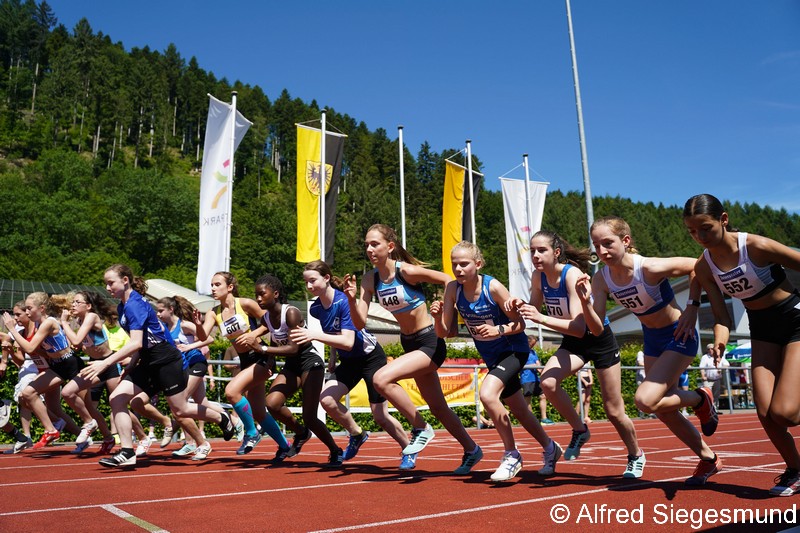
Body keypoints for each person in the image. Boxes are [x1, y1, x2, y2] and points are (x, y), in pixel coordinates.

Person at [579, 215, 728, 485]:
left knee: (645, 400)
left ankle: (698, 399)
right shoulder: (601, 279)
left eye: (608, 243)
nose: (602, 251)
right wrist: (584, 302)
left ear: (625, 240)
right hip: (652, 340)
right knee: (663, 409)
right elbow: (597, 328)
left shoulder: (648, 267)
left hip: (679, 334)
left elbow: (699, 265)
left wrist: (692, 307)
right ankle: (709, 459)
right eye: (596, 245)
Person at [683, 193, 800, 496]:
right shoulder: (705, 267)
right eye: (692, 231)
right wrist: (720, 343)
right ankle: (796, 469)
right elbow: (722, 317)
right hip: (761, 329)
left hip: (795, 321)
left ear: (723, 220)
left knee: (786, 413)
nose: (700, 237)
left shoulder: (756, 246)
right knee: (766, 412)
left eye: (706, 228)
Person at [346, 224, 482, 474]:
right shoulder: (369, 279)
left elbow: (448, 279)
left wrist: (446, 313)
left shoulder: (406, 271)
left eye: (375, 244)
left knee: (381, 379)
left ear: (390, 247)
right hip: (409, 343)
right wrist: (351, 299)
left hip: (430, 341)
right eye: (366, 245)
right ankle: (472, 449)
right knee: (438, 408)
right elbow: (359, 323)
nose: (369, 249)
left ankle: (420, 427)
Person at [511, 230, 645, 479]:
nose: (536, 255)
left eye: (542, 250)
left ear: (556, 252)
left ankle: (635, 454)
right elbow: (533, 309)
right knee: (548, 382)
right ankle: (580, 430)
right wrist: (517, 307)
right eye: (532, 251)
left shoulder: (570, 275)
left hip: (598, 339)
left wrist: (540, 318)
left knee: (613, 410)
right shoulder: (538, 277)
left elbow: (579, 326)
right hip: (574, 342)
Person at [81, 264, 235, 468]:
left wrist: (106, 362)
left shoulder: (135, 305)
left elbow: (136, 342)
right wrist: (131, 367)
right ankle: (127, 452)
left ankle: (221, 418)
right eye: (106, 284)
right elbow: (141, 343)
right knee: (117, 399)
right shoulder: (122, 307)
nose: (107, 288)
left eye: (111, 283)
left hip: (166, 360)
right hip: (147, 361)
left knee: (180, 410)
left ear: (125, 280)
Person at [432, 241, 560, 481]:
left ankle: (512, 454)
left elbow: (520, 323)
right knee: (520, 410)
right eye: (454, 264)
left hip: (513, 350)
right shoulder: (452, 289)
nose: (458, 269)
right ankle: (550, 447)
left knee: (488, 394)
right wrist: (438, 318)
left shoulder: (493, 287)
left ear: (478, 264)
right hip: (491, 356)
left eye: (464, 264)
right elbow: (444, 333)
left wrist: (497, 330)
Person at [291, 260, 411, 467]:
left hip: (371, 358)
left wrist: (313, 335)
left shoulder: (344, 302)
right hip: (349, 361)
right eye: (306, 282)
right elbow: (334, 333)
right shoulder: (316, 308)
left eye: (313, 280)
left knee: (380, 415)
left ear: (326, 278)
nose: (309, 286)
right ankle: (357, 434)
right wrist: (332, 357)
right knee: (327, 400)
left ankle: (408, 449)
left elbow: (347, 341)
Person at [243, 273, 343, 466]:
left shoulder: (291, 313)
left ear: (276, 294)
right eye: (256, 295)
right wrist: (270, 361)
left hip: (309, 362)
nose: (258, 299)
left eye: (262, 294)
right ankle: (301, 433)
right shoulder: (267, 318)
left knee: (310, 417)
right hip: (292, 365)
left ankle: (335, 450)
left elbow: (293, 348)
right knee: (272, 404)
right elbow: (275, 340)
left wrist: (262, 349)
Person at [193, 272, 290, 459]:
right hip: (245, 360)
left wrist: (253, 334)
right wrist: (198, 324)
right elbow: (203, 337)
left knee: (231, 392)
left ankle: (251, 433)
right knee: (259, 412)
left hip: (261, 356)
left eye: (217, 284)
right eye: (211, 285)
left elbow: (271, 321)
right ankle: (285, 446)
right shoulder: (214, 312)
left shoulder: (245, 304)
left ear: (230, 287)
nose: (213, 288)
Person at [60, 290, 158, 455]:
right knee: (67, 392)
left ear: (88, 306)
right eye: (73, 302)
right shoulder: (79, 320)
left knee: (118, 404)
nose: (73, 305)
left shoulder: (91, 317)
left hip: (109, 364)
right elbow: (77, 345)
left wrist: (64, 322)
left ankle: (143, 438)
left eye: (77, 302)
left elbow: (76, 340)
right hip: (95, 365)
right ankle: (95, 427)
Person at [2, 292, 95, 449]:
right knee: (28, 394)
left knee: (89, 406)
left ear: (42, 308)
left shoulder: (48, 323)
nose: (27, 312)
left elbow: (30, 347)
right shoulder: (38, 324)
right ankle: (51, 429)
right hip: (57, 365)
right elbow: (39, 351)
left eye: (29, 308)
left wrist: (12, 329)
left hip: (70, 363)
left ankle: (103, 433)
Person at [156, 295, 222, 460]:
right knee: (199, 403)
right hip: (183, 367)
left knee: (182, 404)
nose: (157, 314)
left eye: (160, 310)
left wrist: (189, 346)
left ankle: (195, 437)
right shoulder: (164, 328)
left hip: (196, 362)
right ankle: (191, 442)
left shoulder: (184, 324)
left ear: (171, 309)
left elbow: (209, 339)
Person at [521, 336, 553, 425]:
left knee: (543, 396)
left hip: (536, 378)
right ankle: (530, 419)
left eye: (534, 344)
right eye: (532, 343)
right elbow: (519, 366)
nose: (533, 345)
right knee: (527, 398)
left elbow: (537, 363)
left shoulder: (533, 352)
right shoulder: (521, 352)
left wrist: (541, 370)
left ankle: (544, 418)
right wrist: (534, 365)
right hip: (526, 379)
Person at [699, 343, 730, 408]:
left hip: (717, 379)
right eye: (708, 349)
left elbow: (727, 364)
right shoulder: (705, 357)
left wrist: (721, 369)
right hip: (708, 379)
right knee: (707, 394)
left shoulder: (720, 356)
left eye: (712, 349)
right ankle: (708, 408)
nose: (710, 350)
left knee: (716, 395)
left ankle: (715, 408)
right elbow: (701, 367)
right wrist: (703, 376)